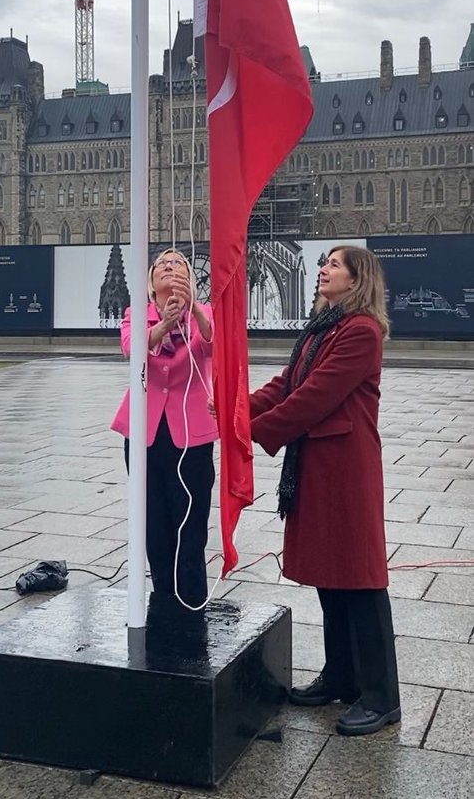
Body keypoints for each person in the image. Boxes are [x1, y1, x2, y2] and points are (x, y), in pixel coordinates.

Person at [249, 245, 400, 737]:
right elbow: (286, 385)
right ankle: (341, 677)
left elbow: (314, 397)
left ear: (358, 280)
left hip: (346, 468)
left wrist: (256, 429)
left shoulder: (361, 332)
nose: (322, 270)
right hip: (317, 465)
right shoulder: (320, 331)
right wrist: (233, 408)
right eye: (323, 264)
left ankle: (381, 697)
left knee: (360, 579)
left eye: (333, 264)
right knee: (331, 577)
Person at [111, 249, 217, 610]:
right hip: (145, 433)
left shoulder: (204, 314)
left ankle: (191, 599)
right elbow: (132, 349)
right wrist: (162, 326)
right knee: (153, 522)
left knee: (190, 520)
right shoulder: (135, 315)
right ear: (150, 281)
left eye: (178, 264)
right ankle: (163, 597)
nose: (169, 267)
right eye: (162, 264)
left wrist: (194, 310)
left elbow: (214, 343)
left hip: (191, 433)